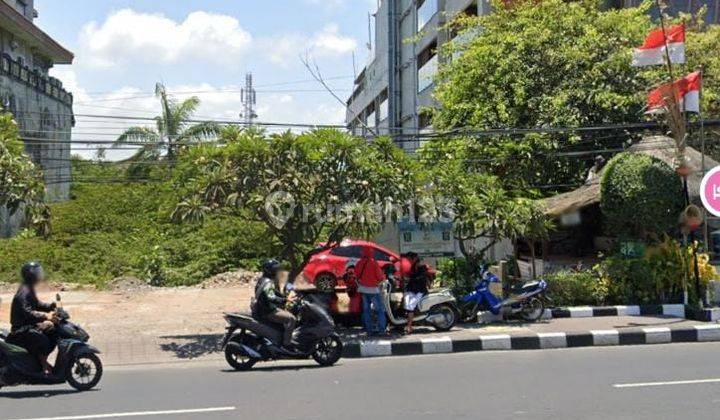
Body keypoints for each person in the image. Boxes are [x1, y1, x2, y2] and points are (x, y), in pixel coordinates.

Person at [8, 262, 58, 375]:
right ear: (31, 275)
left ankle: (40, 359)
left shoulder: (28, 288)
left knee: (52, 331)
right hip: (21, 329)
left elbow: (36, 304)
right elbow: (28, 312)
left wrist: (50, 306)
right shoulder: (24, 292)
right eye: (37, 273)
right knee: (44, 341)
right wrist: (46, 316)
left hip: (28, 325)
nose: (40, 275)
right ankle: (44, 366)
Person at [253, 259, 296, 348]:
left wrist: (284, 295)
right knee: (291, 319)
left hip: (263, 308)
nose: (277, 271)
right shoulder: (268, 282)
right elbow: (271, 297)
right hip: (267, 311)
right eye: (275, 269)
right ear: (269, 270)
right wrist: (285, 300)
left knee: (286, 313)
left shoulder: (263, 280)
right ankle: (287, 344)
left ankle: (280, 337)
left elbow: (273, 293)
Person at [355, 246, 386, 335]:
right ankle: (382, 330)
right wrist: (381, 279)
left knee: (366, 310)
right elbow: (380, 276)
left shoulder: (359, 263)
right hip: (374, 290)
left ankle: (369, 330)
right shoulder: (373, 263)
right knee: (380, 309)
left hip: (363, 290)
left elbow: (356, 275)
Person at [403, 252, 429, 335]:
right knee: (404, 304)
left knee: (410, 306)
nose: (408, 261)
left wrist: (410, 278)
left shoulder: (422, 268)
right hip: (412, 290)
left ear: (414, 259)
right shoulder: (412, 267)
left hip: (419, 291)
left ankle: (409, 327)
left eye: (410, 259)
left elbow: (419, 278)